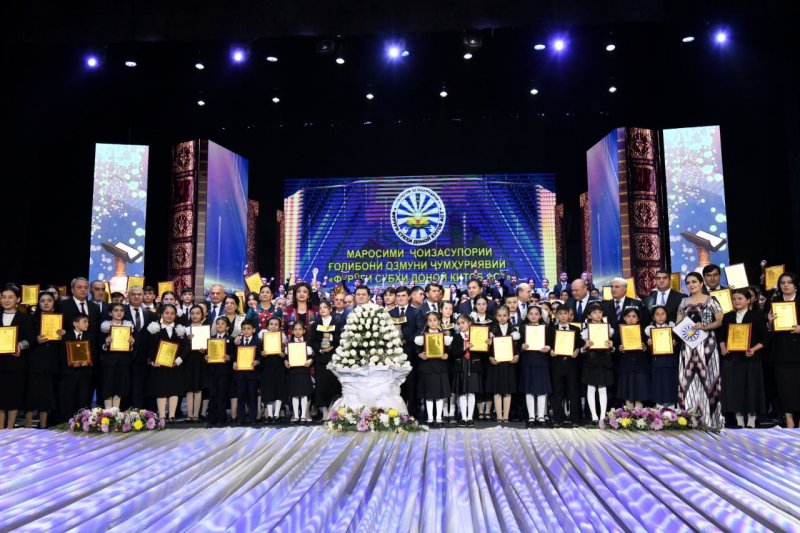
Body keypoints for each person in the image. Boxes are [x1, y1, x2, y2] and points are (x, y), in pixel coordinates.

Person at [676, 272, 724, 429]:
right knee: (688, 382)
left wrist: (704, 327)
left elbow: (719, 321)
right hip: (688, 347)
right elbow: (678, 323)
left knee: (708, 380)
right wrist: (685, 330)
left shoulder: (711, 300)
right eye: (688, 282)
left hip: (707, 345)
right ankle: (688, 420)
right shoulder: (683, 302)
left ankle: (710, 421)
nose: (691, 285)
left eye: (694, 282)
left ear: (701, 283)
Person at [719, 288, 767, 429]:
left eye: (740, 298)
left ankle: (752, 419)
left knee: (751, 387)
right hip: (732, 359)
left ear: (748, 300)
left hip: (750, 359)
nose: (737, 301)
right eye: (734, 299)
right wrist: (722, 347)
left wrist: (753, 349)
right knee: (735, 388)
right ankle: (739, 419)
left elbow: (765, 338)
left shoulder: (756, 316)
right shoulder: (728, 316)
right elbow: (721, 336)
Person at [25, 291, 63, 428]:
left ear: (54, 303)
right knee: (31, 394)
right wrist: (36, 340)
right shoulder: (31, 319)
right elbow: (26, 339)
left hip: (52, 362)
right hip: (34, 361)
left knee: (47, 397)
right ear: (38, 303)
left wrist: (63, 334)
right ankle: (28, 426)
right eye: (43, 301)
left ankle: (43, 426)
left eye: (49, 300)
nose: (46, 303)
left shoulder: (60, 319)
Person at [766, 272, 800, 428]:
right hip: (781, 351)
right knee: (784, 386)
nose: (786, 285)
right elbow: (766, 329)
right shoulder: (774, 302)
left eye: (789, 282)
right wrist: (769, 322)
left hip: (797, 349)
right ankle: (788, 418)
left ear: (795, 285)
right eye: (782, 283)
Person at [146, 304, 187, 422]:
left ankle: (172, 416)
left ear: (175, 315)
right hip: (159, 366)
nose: (169, 315)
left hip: (175, 366)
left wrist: (179, 360)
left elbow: (185, 347)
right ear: (161, 314)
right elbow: (149, 347)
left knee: (174, 390)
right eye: (167, 313)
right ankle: (162, 415)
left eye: (172, 313)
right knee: (161, 391)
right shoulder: (154, 328)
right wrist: (151, 361)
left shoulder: (180, 330)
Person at [0, 285, 34, 429]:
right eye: (3, 297)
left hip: (16, 363)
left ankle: (10, 428)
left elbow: (31, 339)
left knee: (13, 396)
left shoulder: (24, 318)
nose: (6, 300)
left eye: (10, 297)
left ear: (18, 299)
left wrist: (20, 345)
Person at [414, 311, 452, 426]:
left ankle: (439, 418)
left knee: (440, 395)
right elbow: (416, 349)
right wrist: (420, 354)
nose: (433, 322)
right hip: (427, 368)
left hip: (440, 367)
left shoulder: (444, 336)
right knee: (428, 395)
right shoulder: (422, 336)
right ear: (427, 323)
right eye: (430, 320)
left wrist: (447, 355)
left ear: (439, 321)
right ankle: (430, 418)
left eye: (435, 320)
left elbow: (449, 350)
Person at [579, 302, 615, 422]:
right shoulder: (585, 331)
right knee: (591, 388)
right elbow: (581, 350)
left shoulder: (608, 329)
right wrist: (585, 346)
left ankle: (602, 415)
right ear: (589, 316)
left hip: (604, 360)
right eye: (594, 312)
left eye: (600, 312)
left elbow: (612, 349)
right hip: (591, 360)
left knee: (602, 388)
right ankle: (594, 415)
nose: (598, 314)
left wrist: (611, 346)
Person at [550, 305, 583, 427]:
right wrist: (550, 351)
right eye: (560, 314)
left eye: (565, 313)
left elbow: (580, 344)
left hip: (572, 364)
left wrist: (577, 350)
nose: (563, 316)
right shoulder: (551, 329)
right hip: (557, 364)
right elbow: (548, 344)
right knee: (557, 392)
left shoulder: (576, 329)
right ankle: (558, 419)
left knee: (573, 391)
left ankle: (575, 419)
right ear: (556, 315)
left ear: (569, 315)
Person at [519, 305, 552, 426]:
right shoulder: (522, 328)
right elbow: (517, 345)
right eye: (531, 314)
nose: (533, 316)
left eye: (536, 314)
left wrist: (548, 347)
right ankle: (531, 416)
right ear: (527, 316)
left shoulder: (546, 328)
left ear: (540, 316)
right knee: (529, 390)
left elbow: (551, 343)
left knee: (542, 390)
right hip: (528, 360)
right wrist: (521, 347)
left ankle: (541, 416)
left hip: (541, 360)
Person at [390, 286, 421, 416]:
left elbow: (419, 330)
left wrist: (406, 341)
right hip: (394, 355)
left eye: (403, 296)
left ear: (408, 297)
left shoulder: (416, 312)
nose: (400, 298)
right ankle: (398, 412)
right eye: (398, 296)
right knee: (396, 384)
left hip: (411, 352)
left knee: (411, 384)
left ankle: (412, 412)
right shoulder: (390, 313)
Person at [58, 312, 94, 424]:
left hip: (85, 373)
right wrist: (71, 363)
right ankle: (68, 422)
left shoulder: (90, 337)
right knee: (69, 398)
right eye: (84, 321)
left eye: (88, 322)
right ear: (75, 323)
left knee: (84, 398)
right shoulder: (66, 337)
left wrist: (88, 362)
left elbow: (94, 354)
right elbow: (61, 355)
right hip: (70, 373)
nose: (87, 324)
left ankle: (84, 422)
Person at [486, 305, 520, 423]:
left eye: (505, 315)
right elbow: (487, 349)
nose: (502, 318)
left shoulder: (513, 330)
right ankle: (499, 416)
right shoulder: (492, 330)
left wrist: (517, 356)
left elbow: (517, 347)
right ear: (496, 316)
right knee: (497, 390)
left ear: (509, 316)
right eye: (499, 315)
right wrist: (490, 357)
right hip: (496, 363)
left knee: (507, 390)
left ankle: (506, 416)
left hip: (509, 364)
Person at [124, 286, 156, 409]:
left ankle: (141, 411)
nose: (136, 296)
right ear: (128, 296)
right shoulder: (122, 311)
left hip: (144, 358)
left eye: (139, 294)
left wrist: (151, 356)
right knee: (126, 386)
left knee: (142, 386)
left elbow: (152, 338)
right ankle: (124, 411)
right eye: (133, 294)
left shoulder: (150, 314)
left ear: (143, 296)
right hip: (125, 357)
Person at [98, 303, 134, 409]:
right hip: (109, 362)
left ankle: (116, 412)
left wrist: (131, 343)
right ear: (110, 313)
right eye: (116, 310)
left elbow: (132, 348)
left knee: (120, 388)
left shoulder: (129, 327)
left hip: (123, 362)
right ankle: (108, 413)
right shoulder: (104, 327)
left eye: (121, 310)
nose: (119, 313)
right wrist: (106, 344)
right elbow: (99, 346)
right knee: (108, 387)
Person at [309, 301, 341, 420]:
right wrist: (320, 350)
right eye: (320, 308)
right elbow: (312, 341)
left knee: (333, 385)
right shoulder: (315, 324)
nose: (322, 309)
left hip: (333, 358)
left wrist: (331, 339)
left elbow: (340, 339)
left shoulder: (336, 323)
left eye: (325, 307)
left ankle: (334, 411)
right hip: (320, 359)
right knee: (321, 386)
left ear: (330, 309)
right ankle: (324, 412)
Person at [450, 314, 482, 427]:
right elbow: (453, 353)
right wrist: (464, 348)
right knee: (462, 393)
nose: (461, 325)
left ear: (469, 323)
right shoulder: (456, 337)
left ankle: (470, 417)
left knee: (471, 393)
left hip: (473, 367)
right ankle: (463, 417)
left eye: (463, 323)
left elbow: (482, 350)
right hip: (461, 367)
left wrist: (486, 344)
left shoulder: (476, 335)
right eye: (458, 323)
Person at [616, 307, 650, 409]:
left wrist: (646, 347)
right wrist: (619, 349)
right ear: (624, 318)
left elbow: (650, 349)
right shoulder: (619, 333)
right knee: (628, 395)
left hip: (640, 367)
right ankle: (629, 417)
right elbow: (613, 350)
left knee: (640, 395)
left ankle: (640, 416)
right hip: (626, 367)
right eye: (628, 316)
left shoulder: (643, 332)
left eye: (634, 316)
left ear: (638, 319)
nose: (631, 319)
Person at [645, 305, 678, 408]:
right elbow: (645, 351)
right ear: (653, 317)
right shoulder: (648, 331)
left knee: (671, 387)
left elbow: (680, 347)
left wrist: (675, 343)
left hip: (670, 363)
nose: (660, 317)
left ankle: (672, 413)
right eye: (657, 314)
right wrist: (648, 345)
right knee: (658, 387)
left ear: (667, 316)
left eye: (663, 314)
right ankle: (658, 413)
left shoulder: (673, 330)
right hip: (657, 363)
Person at [205, 316, 234, 427]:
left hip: (224, 372)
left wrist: (229, 357)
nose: (220, 325)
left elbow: (234, 355)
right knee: (212, 394)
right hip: (212, 371)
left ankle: (222, 418)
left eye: (222, 323)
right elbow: (206, 354)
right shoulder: (211, 339)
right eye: (218, 323)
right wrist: (206, 357)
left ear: (227, 327)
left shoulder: (231, 339)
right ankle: (212, 417)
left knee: (222, 394)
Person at [259, 316, 287, 424]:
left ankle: (276, 414)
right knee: (268, 391)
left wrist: (283, 355)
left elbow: (287, 355)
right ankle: (270, 415)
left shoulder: (283, 339)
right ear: (267, 326)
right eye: (271, 324)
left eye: (276, 324)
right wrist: (262, 354)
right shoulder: (262, 339)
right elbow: (258, 355)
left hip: (279, 367)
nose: (273, 326)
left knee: (279, 390)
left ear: (279, 327)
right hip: (267, 367)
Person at [284, 321, 314, 423]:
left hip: (304, 371)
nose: (298, 331)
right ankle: (296, 415)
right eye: (295, 329)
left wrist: (310, 360)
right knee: (295, 394)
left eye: (300, 329)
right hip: (293, 372)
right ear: (292, 331)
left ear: (304, 331)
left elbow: (312, 356)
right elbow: (285, 358)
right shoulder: (289, 344)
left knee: (304, 394)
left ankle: (303, 415)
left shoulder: (308, 344)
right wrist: (285, 361)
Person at [184, 305, 209, 422]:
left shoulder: (205, 329)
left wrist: (204, 349)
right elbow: (181, 348)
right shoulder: (185, 329)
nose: (195, 316)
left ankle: (196, 414)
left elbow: (208, 348)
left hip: (200, 361)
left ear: (202, 315)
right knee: (189, 388)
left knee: (198, 388)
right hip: (188, 361)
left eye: (197, 313)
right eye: (192, 313)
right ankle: (189, 414)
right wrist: (188, 341)